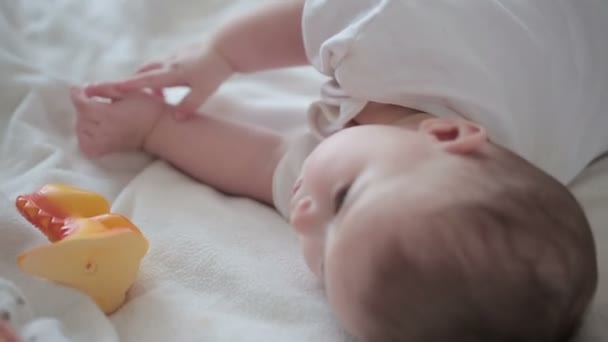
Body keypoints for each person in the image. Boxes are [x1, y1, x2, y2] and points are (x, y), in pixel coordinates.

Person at [77, 1, 606, 340]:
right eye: (347, 197)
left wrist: (153, 130)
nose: (306, 216)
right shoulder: (392, 40)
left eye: (326, 268)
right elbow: (316, 19)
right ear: (447, 134)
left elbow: (259, 164)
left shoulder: (363, 198)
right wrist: (219, 55)